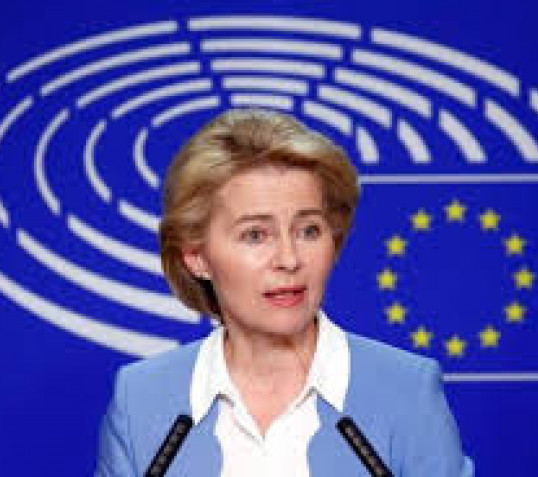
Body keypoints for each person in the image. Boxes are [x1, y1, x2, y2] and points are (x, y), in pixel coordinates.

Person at [95, 108, 473, 476]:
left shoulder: (406, 391)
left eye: (308, 230)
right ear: (196, 257)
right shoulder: (140, 398)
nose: (289, 259)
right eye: (255, 235)